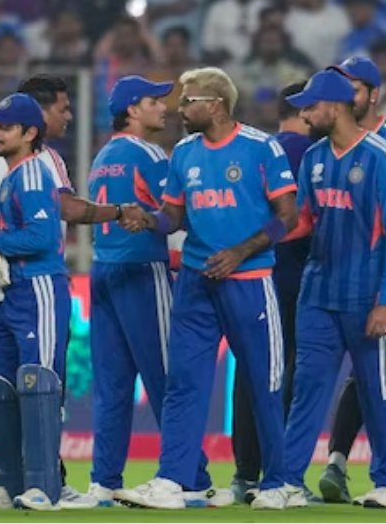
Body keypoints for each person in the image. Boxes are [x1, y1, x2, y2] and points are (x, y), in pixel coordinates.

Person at [113, 67, 298, 509]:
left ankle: (279, 482)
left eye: (187, 100)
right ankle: (174, 480)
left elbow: (288, 216)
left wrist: (240, 252)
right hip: (196, 282)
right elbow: (173, 217)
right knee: (183, 382)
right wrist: (147, 220)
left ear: (215, 105)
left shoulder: (261, 147)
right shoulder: (183, 152)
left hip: (249, 281)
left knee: (264, 383)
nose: (178, 108)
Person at [0, 76, 126, 509]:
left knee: (38, 385)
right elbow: (5, 226)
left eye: (5, 127)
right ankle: (10, 483)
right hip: (10, 290)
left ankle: (44, 486)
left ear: (29, 132)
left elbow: (40, 237)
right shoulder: (15, 174)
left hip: (38, 289)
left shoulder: (32, 174)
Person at [275, 69, 386, 509]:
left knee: (379, 391)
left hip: (367, 297)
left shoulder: (382, 157)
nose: (304, 115)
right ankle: (288, 482)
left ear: (334, 107)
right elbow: (304, 220)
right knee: (307, 391)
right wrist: (255, 239)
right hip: (318, 295)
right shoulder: (314, 157)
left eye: (310, 107)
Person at [87, 75, 217, 506]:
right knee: (169, 378)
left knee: (112, 385)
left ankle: (104, 480)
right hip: (143, 271)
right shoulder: (149, 154)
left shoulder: (103, 155)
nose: (165, 107)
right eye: (154, 101)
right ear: (132, 110)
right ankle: (192, 478)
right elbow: (180, 212)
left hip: (102, 269)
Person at [316, 57, 386, 504]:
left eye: (356, 88)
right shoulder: (327, 146)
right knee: (367, 378)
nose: (347, 96)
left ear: (374, 94)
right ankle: (346, 465)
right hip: (348, 282)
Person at [230, 82, 313, 502]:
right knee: (288, 371)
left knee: (250, 369)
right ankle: (279, 475)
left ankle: (245, 472)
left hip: (249, 273)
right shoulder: (307, 152)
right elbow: (301, 217)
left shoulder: (255, 149)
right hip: (292, 272)